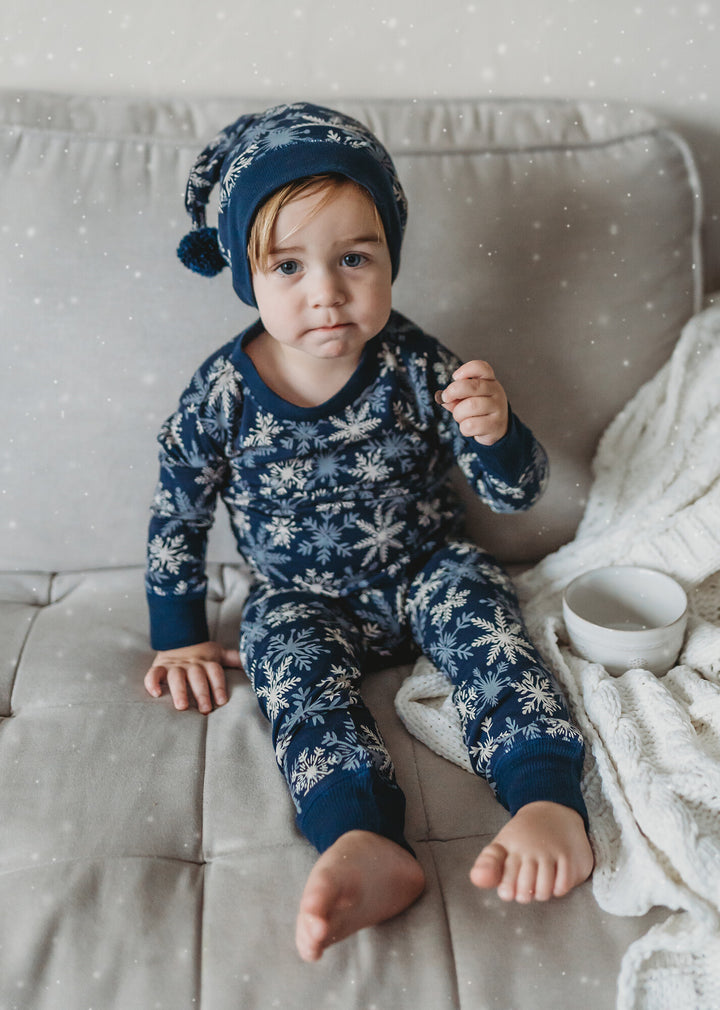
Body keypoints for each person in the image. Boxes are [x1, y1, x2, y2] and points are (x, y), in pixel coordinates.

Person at [143, 102, 594, 963]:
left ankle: (544, 795)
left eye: (355, 257)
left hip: (427, 568)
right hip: (302, 596)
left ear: (390, 256)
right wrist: (180, 637)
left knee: (490, 625)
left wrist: (499, 432)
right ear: (246, 273)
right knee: (287, 668)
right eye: (288, 265)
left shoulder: (419, 364)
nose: (328, 292)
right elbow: (178, 513)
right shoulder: (223, 397)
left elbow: (518, 493)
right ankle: (360, 836)